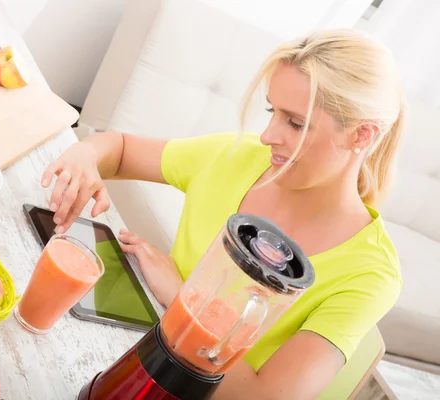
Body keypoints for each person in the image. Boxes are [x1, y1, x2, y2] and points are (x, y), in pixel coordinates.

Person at [42, 28, 404, 399]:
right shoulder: (235, 158)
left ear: (362, 136)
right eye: (272, 111)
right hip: (126, 355)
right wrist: (84, 158)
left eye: (295, 123)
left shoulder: (370, 273)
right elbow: (117, 150)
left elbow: (265, 396)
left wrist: (183, 297)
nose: (267, 136)